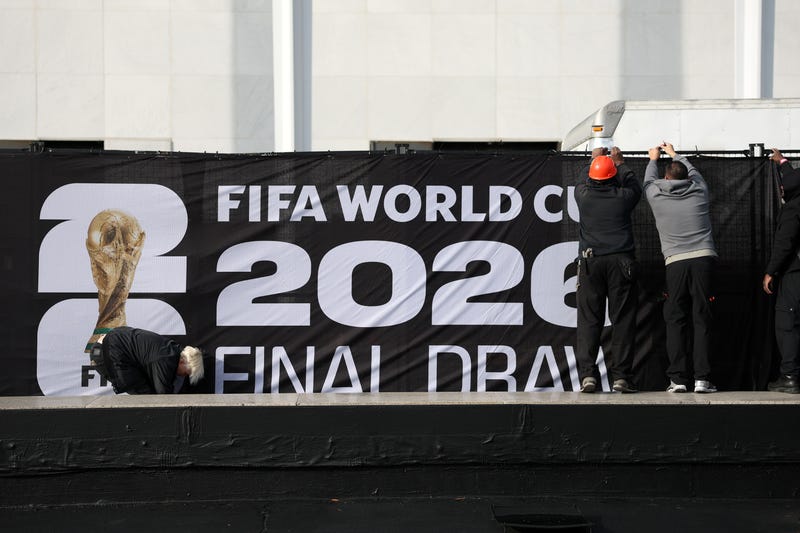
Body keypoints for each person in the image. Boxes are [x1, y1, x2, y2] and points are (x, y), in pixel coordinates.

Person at [644, 142, 718, 393]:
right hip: (703, 260)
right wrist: (674, 154)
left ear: (666, 177)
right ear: (686, 178)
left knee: (675, 320)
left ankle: (677, 379)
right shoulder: (699, 190)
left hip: (675, 263)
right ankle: (702, 379)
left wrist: (653, 158)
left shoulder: (655, 194)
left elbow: (648, 180)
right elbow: (694, 170)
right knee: (702, 319)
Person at [575, 146, 641, 393]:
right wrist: (620, 162)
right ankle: (621, 377)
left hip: (591, 262)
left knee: (589, 321)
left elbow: (583, 179)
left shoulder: (583, 196)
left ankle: (588, 377)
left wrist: (594, 159)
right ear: (613, 176)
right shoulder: (623, 197)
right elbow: (635, 185)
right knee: (622, 321)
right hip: (621, 262)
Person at [763, 149, 800, 394]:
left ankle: (789, 376)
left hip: (795, 274)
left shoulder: (793, 209)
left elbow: (784, 243)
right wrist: (783, 161)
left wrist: (771, 272)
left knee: (787, 324)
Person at [88, 326, 204, 394]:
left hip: (108, 346)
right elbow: (164, 395)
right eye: (185, 373)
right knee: (146, 397)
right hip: (106, 352)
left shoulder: (170, 349)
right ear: (183, 361)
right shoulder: (166, 360)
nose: (183, 376)